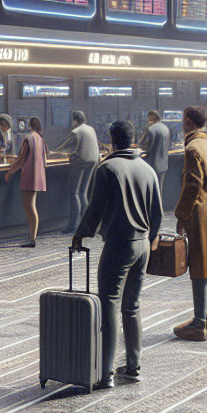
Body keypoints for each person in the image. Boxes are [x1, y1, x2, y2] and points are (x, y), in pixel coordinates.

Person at [71, 119, 162, 387]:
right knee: (131, 306)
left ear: (111, 139)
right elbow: (157, 212)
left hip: (119, 245)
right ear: (133, 138)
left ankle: (105, 373)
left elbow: (95, 206)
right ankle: (133, 367)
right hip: (143, 244)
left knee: (109, 304)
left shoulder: (108, 168)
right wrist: (152, 237)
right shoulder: (147, 169)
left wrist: (81, 232)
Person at [173, 106, 207, 342]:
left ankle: (198, 323)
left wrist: (181, 214)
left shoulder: (192, 148)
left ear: (188, 123)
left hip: (198, 212)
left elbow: (192, 185)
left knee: (198, 266)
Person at [54, 111, 100, 234]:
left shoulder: (76, 132)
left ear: (75, 120)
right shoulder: (91, 129)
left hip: (81, 163)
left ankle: (72, 226)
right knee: (83, 193)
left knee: (73, 192)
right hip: (93, 162)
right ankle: (85, 224)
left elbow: (64, 146)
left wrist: (55, 151)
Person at [5, 116, 47, 247]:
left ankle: (32, 239)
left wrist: (10, 171)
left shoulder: (28, 138)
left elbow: (22, 159)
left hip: (29, 175)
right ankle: (32, 237)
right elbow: (44, 160)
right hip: (38, 176)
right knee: (31, 206)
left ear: (29, 126)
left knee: (29, 207)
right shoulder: (40, 139)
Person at [139, 110, 171, 194]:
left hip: (151, 165)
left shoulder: (152, 129)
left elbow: (144, 146)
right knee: (159, 191)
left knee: (150, 193)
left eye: (148, 119)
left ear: (152, 118)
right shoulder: (165, 128)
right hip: (163, 165)